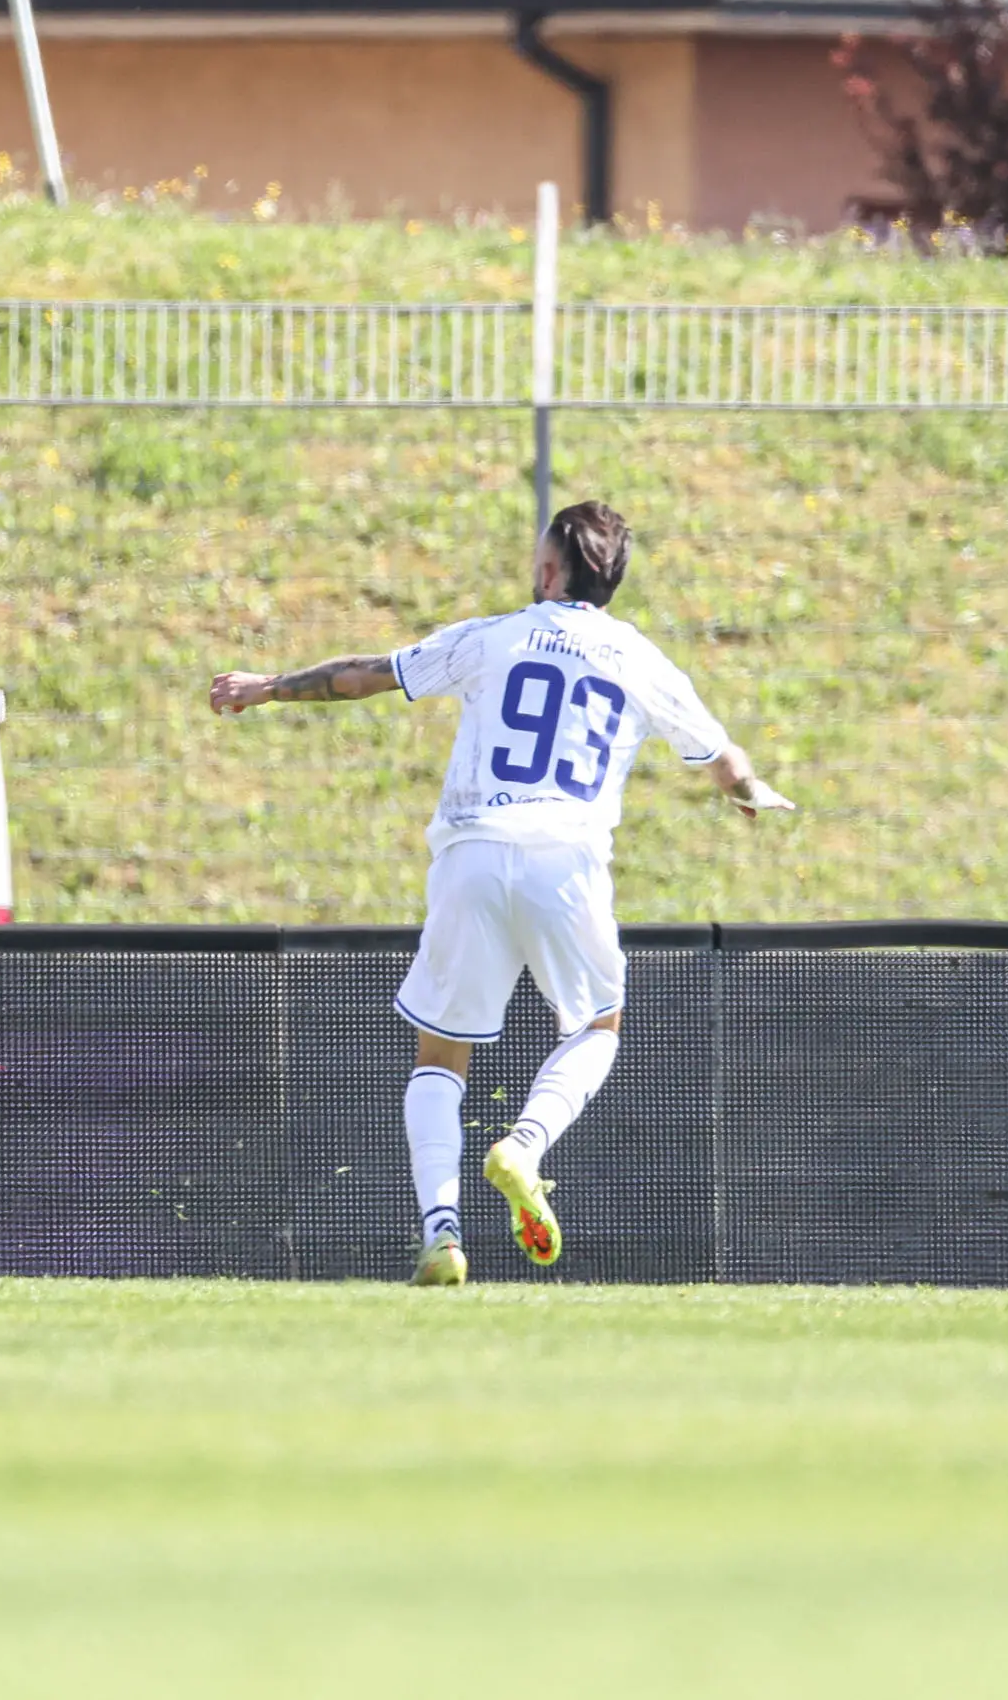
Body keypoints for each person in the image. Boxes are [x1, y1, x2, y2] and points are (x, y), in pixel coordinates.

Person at [209, 500, 795, 1285]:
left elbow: (364, 676)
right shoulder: (638, 658)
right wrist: (753, 793)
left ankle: (442, 1235)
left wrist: (269, 686)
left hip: (472, 854)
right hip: (567, 863)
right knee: (596, 1025)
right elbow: (724, 762)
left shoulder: (493, 636)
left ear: (549, 571)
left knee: (438, 1059)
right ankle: (522, 1144)